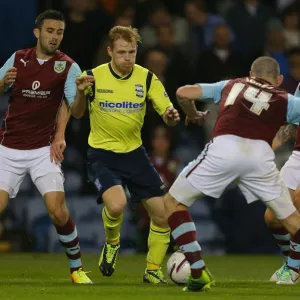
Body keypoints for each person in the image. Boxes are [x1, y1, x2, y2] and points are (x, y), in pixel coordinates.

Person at [163, 56, 300, 292]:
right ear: (278, 80)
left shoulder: (230, 84)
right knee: (292, 221)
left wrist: (193, 113)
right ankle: (294, 269)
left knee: (173, 202)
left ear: (250, 72)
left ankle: (197, 271)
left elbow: (183, 92)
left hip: (224, 148)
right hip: (260, 156)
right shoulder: (286, 98)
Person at [71, 25, 180, 283]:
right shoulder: (92, 77)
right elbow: (76, 114)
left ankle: (153, 270)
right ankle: (112, 243)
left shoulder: (147, 78)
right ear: (110, 51)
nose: (127, 58)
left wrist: (171, 116)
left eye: (132, 52)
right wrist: (79, 92)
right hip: (102, 154)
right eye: (122, 52)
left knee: (163, 214)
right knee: (117, 205)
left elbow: (168, 113)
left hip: (135, 154)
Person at [0, 10, 92, 284]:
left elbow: (76, 111)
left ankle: (76, 268)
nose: (55, 37)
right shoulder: (18, 58)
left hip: (42, 151)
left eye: (60, 32)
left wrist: (81, 96)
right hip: (8, 149)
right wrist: (2, 83)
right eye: (50, 31)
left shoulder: (69, 67)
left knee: (57, 209)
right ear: (37, 32)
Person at [265, 84, 300, 284]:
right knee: (273, 216)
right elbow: (294, 114)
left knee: (298, 204)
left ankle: (293, 270)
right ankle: (291, 261)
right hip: (298, 155)